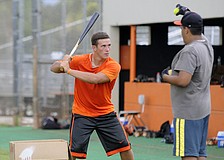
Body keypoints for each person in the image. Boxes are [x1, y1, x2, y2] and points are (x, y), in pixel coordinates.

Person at [50, 32, 134, 160]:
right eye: (103, 46)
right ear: (94, 48)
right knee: (74, 151)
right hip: (82, 114)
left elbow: (96, 79)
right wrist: (63, 62)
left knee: (124, 146)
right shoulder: (80, 60)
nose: (107, 49)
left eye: (109, 45)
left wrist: (69, 70)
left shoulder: (113, 65)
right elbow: (53, 68)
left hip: (106, 113)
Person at [161, 10, 214, 160]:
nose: (181, 32)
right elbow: (198, 26)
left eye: (181, 28)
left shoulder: (189, 51)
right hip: (203, 109)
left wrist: (165, 76)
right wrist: (187, 12)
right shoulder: (206, 45)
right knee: (200, 153)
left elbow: (183, 80)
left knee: (188, 154)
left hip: (188, 113)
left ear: (186, 30)